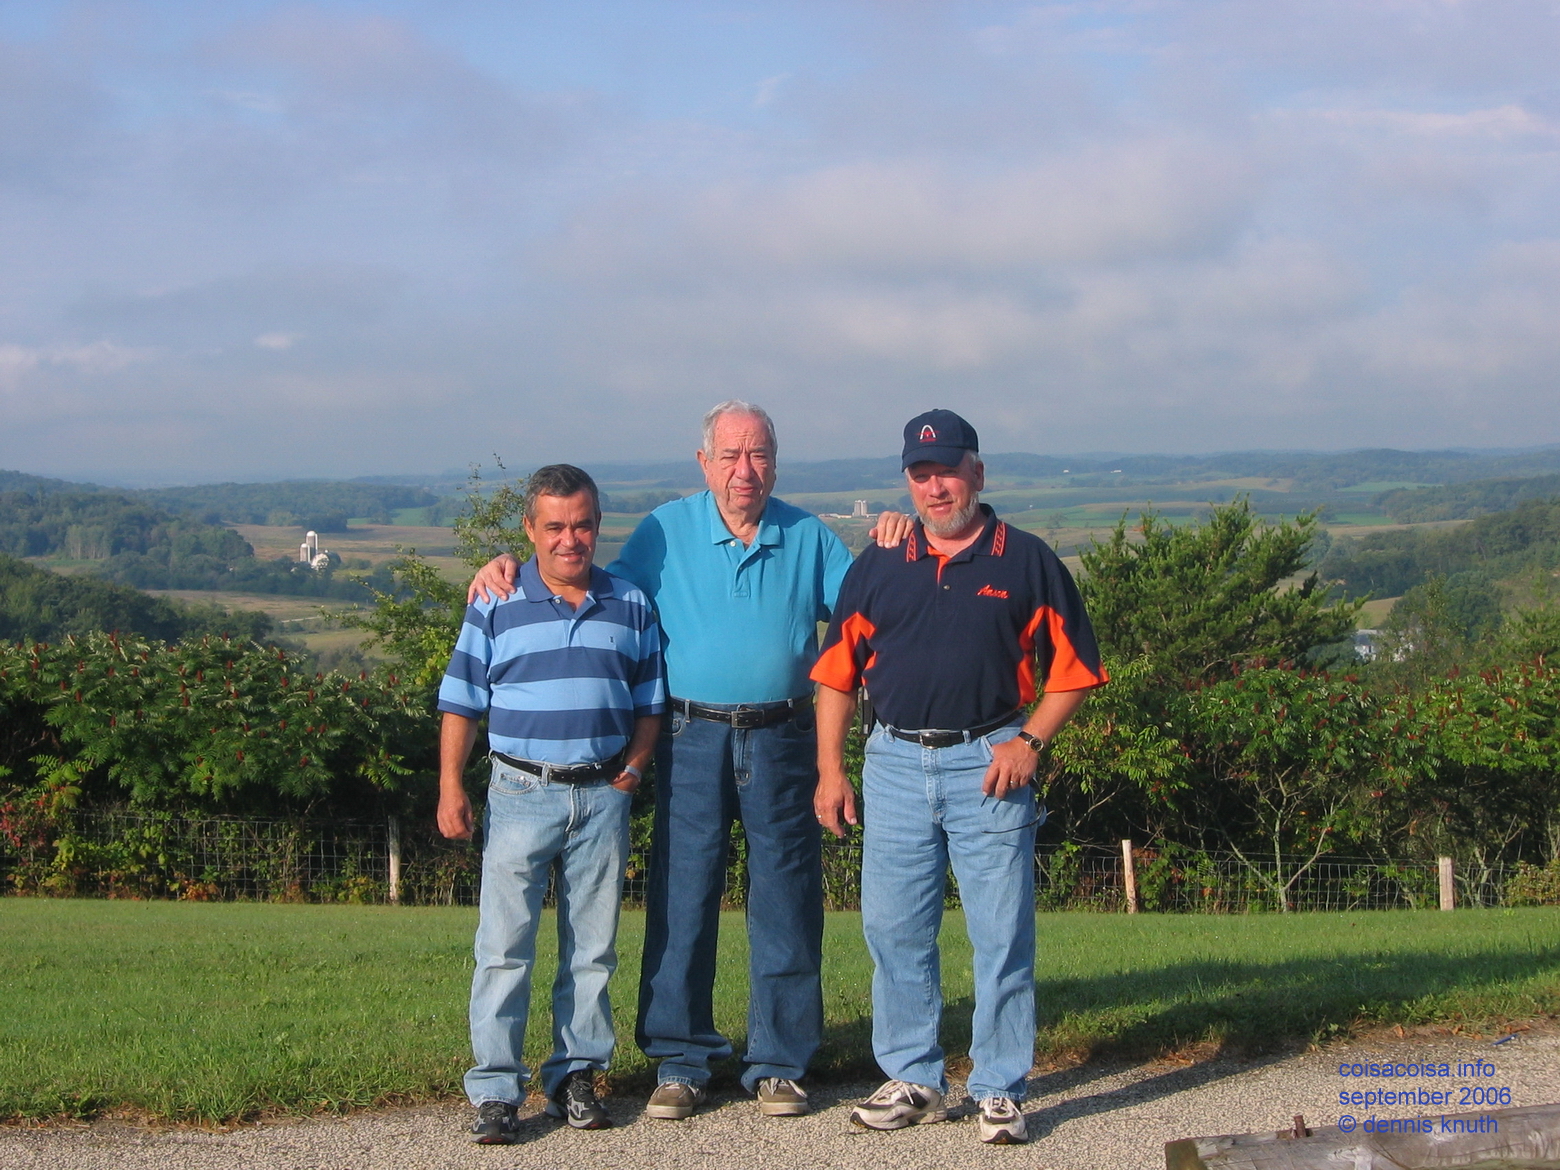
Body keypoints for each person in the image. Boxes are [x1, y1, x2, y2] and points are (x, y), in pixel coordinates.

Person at [467, 403, 904, 1119]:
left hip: (785, 736)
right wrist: (509, 568)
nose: (744, 470)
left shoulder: (809, 536)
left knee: (788, 901)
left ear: (775, 462)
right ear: (704, 463)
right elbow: (589, 583)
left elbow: (870, 616)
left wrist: (898, 538)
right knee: (682, 896)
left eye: (758, 455)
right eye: (730, 456)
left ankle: (780, 1062)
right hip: (689, 736)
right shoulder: (666, 530)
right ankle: (680, 1059)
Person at [811, 409, 1108, 1146]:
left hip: (991, 763)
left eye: (947, 469)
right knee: (893, 927)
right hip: (891, 763)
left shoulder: (1028, 561)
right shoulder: (878, 562)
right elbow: (837, 677)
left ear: (978, 471)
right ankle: (913, 1076)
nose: (936, 486)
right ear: (907, 480)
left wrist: (1030, 739)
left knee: (1000, 932)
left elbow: (1074, 672)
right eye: (921, 473)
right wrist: (829, 770)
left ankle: (1000, 1086)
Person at [437, 463, 666, 1144]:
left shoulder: (630, 603)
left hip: (602, 796)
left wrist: (634, 767)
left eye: (584, 524)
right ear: (531, 530)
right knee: (504, 947)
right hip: (518, 791)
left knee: (592, 951)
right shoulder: (495, 600)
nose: (572, 539)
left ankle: (576, 1077)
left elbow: (651, 700)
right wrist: (451, 783)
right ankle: (497, 1092)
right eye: (556, 526)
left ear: (599, 524)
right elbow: (460, 701)